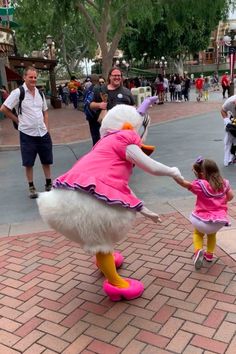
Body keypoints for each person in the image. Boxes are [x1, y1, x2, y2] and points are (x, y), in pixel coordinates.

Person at [37, 97, 183, 301]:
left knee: (100, 236)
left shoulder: (104, 141)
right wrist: (172, 171)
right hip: (86, 202)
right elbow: (150, 166)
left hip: (63, 198)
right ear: (129, 126)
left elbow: (118, 189)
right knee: (102, 238)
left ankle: (105, 260)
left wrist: (144, 210)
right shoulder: (125, 139)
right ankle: (115, 283)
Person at [0, 66, 53, 199]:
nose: (33, 79)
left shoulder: (40, 93)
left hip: (42, 132)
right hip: (27, 134)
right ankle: (31, 187)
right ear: (24, 77)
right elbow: (4, 108)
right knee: (28, 162)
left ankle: (48, 183)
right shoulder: (18, 92)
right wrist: (18, 121)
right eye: (31, 77)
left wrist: (46, 126)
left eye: (35, 77)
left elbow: (45, 111)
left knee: (46, 159)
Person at [175, 157, 234, 270]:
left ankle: (198, 251)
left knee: (198, 233)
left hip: (202, 221)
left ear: (201, 174)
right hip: (218, 222)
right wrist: (222, 202)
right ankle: (209, 254)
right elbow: (231, 196)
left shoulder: (200, 185)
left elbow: (185, 184)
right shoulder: (224, 183)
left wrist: (174, 176)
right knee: (212, 235)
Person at [220, 95, 236, 166]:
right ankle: (227, 160)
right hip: (233, 119)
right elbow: (223, 110)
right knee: (228, 140)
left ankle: (232, 156)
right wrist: (226, 121)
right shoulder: (229, 102)